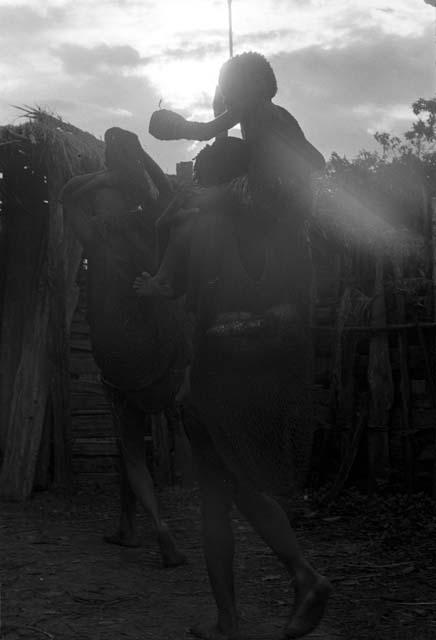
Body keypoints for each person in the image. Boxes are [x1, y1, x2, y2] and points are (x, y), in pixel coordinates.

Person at [135, 64, 331, 638]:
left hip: (222, 360)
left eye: (228, 86)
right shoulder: (278, 145)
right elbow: (311, 165)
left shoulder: (250, 140)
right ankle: (228, 619)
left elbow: (174, 287)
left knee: (226, 489)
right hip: (269, 345)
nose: (224, 97)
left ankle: (301, 576)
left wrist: (177, 129)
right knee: (222, 490)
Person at [61, 127, 189, 567]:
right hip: (165, 351)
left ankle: (158, 527)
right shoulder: (151, 221)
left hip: (120, 357)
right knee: (160, 428)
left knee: (130, 447)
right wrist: (138, 159)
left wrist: (102, 176)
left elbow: (66, 196)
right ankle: (127, 525)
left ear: (104, 200)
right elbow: (169, 190)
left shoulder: (96, 238)